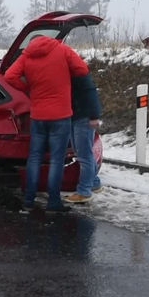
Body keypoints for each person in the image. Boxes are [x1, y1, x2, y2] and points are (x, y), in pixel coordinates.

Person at [5, 35, 89, 212]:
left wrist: (28, 88)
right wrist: (66, 75)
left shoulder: (27, 56)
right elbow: (82, 70)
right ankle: (53, 202)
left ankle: (28, 200)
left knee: (34, 157)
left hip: (38, 116)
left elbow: (10, 76)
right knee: (57, 160)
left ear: (31, 43)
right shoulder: (62, 50)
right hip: (61, 115)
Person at [64, 74, 103, 203]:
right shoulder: (71, 76)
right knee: (83, 153)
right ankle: (94, 183)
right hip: (76, 117)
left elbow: (91, 95)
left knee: (84, 155)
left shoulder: (80, 76)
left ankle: (84, 192)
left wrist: (94, 116)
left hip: (83, 118)